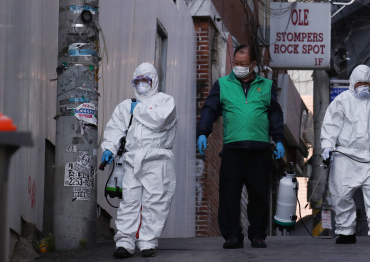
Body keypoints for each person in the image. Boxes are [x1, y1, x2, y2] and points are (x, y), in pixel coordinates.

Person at [196, 44, 285, 249]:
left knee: (259, 195)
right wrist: (202, 132)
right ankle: (232, 236)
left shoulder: (267, 86)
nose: (238, 67)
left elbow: (275, 114)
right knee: (229, 195)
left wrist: (279, 139)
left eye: (243, 64)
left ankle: (258, 235)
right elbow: (210, 109)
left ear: (253, 65)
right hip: (233, 150)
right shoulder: (222, 85)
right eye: (235, 63)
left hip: (259, 150)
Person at [101, 63, 177, 259]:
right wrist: (109, 148)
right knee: (129, 200)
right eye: (138, 81)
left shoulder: (165, 101)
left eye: (146, 80)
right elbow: (115, 129)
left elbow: (160, 121)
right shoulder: (125, 106)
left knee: (156, 201)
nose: (142, 84)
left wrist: (139, 110)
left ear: (154, 81)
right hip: (132, 158)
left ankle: (148, 242)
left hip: (158, 158)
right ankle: (125, 242)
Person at [321, 65, 370, 246]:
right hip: (345, 156)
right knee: (341, 194)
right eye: (359, 83)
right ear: (353, 83)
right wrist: (327, 147)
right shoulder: (342, 101)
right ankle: (346, 231)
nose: (363, 86)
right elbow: (330, 126)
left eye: (366, 83)